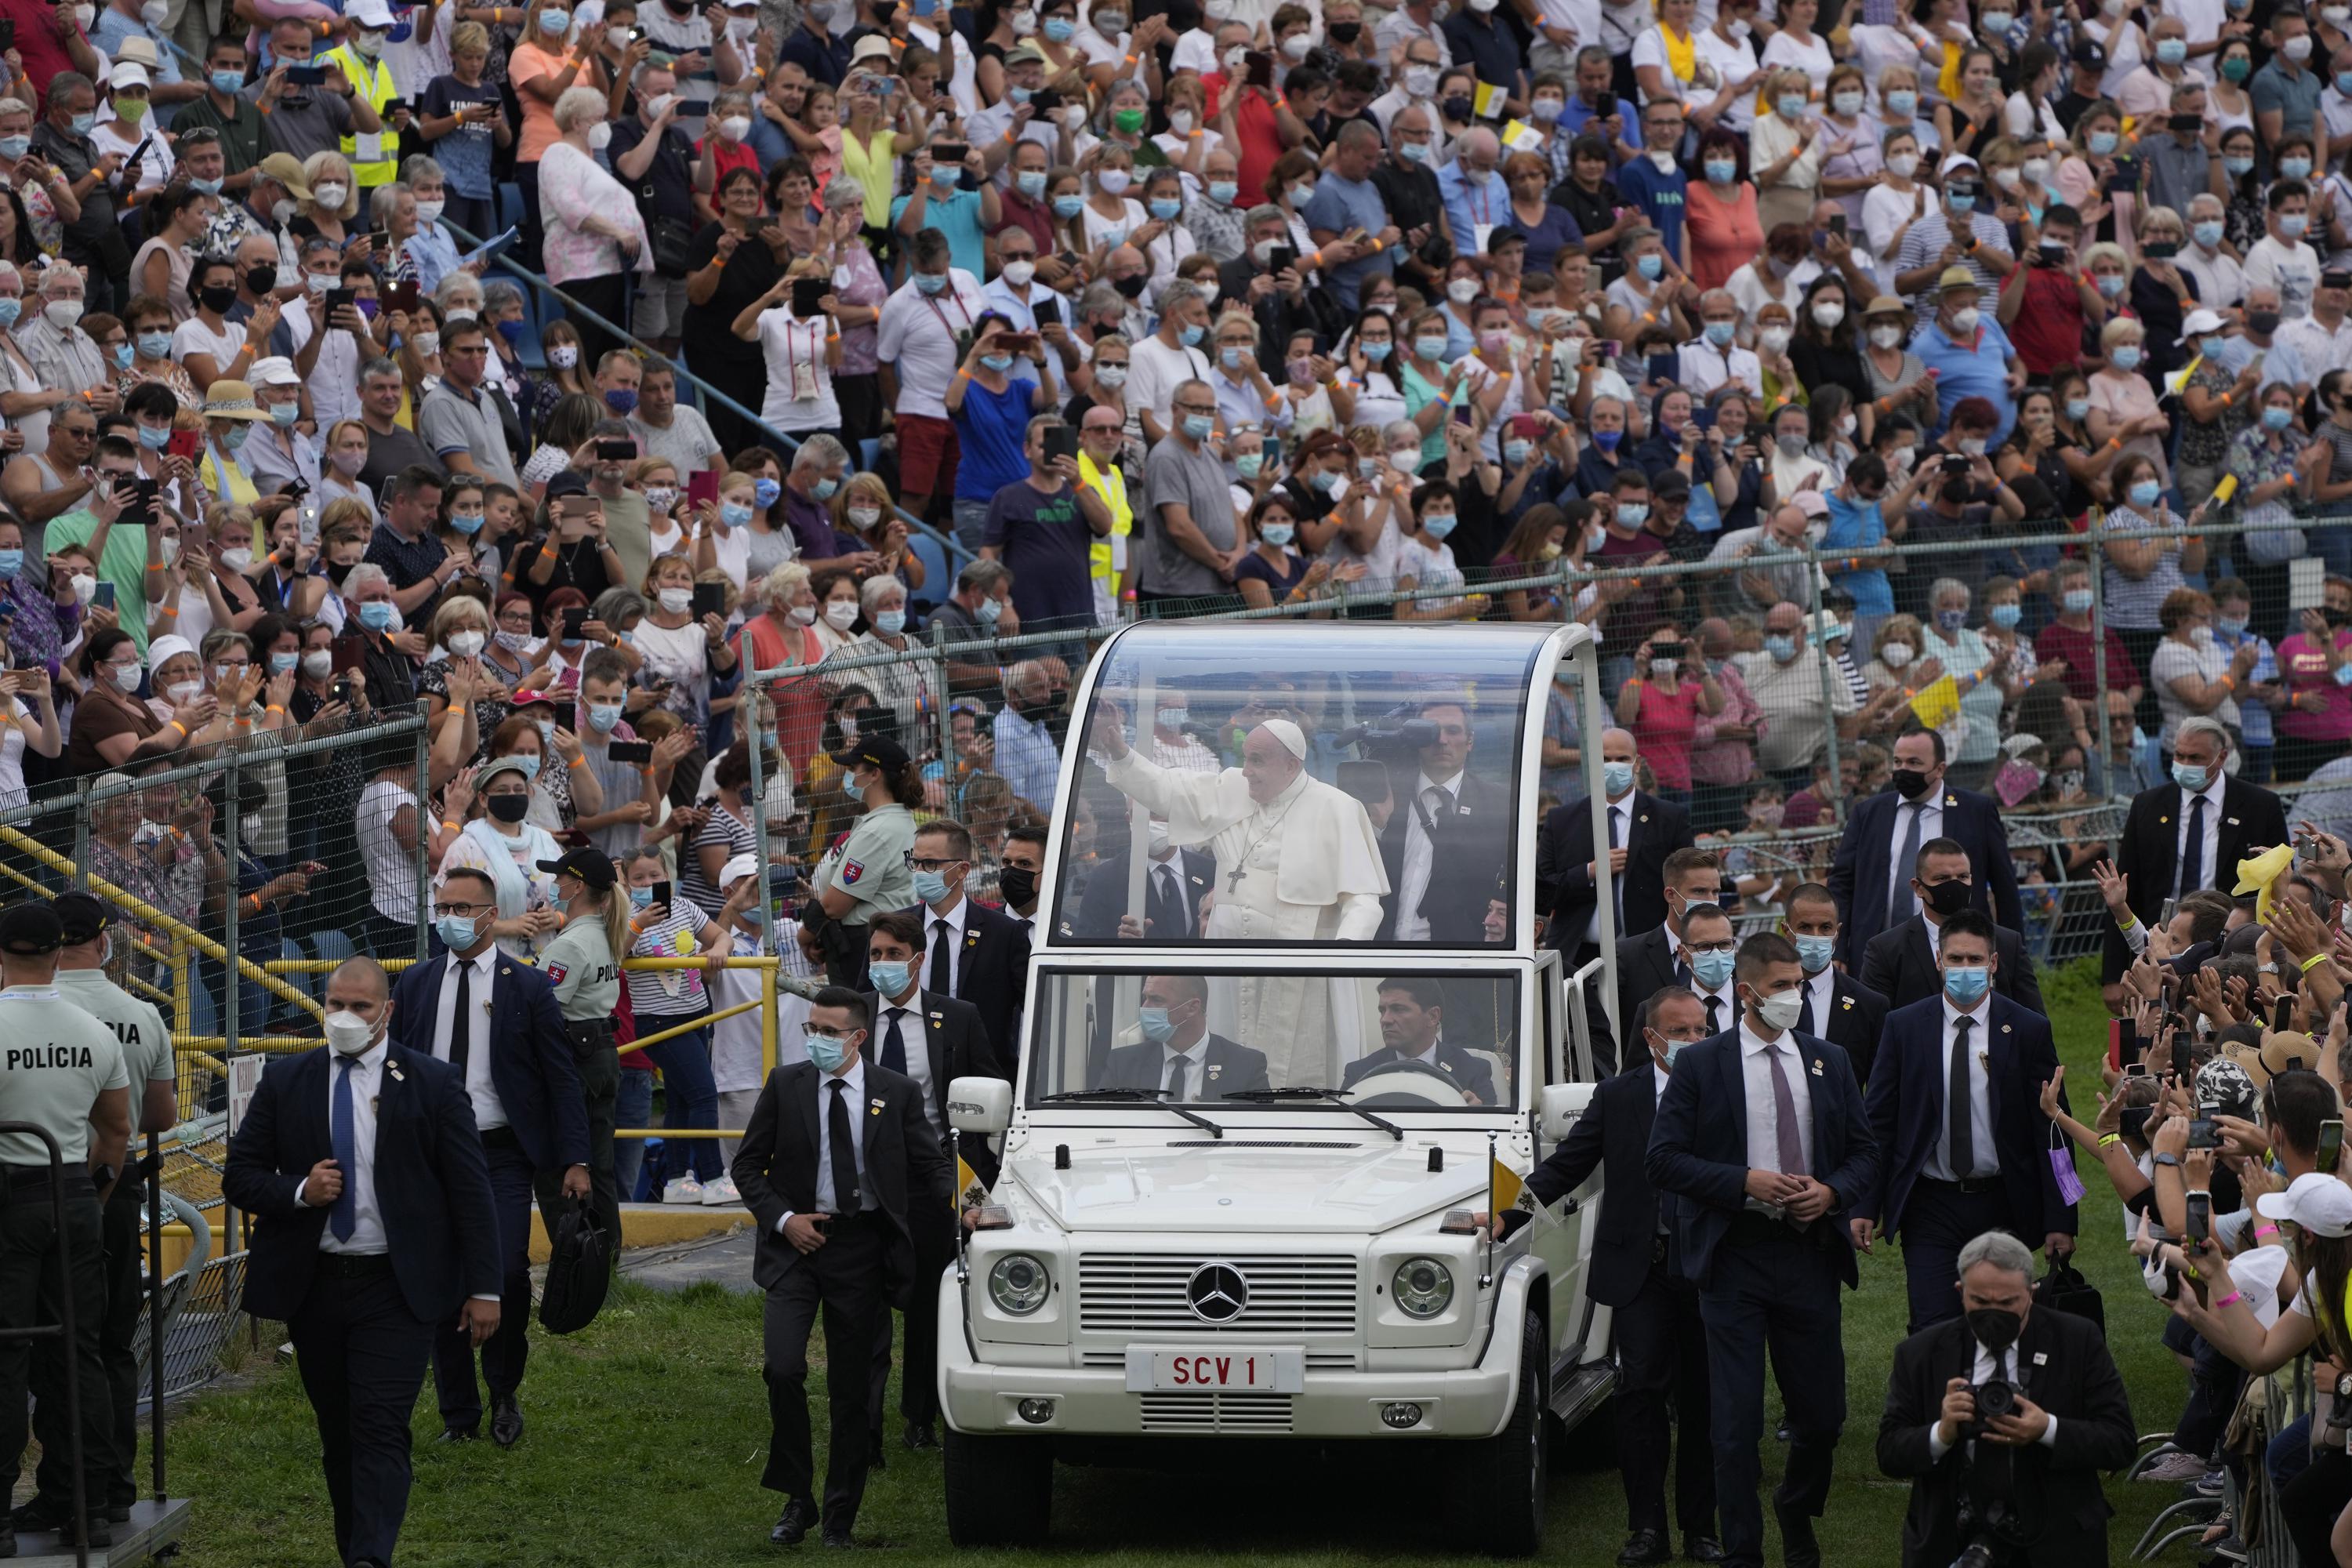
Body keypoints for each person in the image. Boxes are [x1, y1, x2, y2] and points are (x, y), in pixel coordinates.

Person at [220, 956, 499, 1568]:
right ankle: (357, 1549)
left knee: (379, 1423)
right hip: (314, 1285)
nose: (345, 1017)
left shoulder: (432, 1081)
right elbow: (238, 1176)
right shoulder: (287, 1079)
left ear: (387, 1011)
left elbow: (470, 1192)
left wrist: (485, 1287)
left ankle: (371, 1559)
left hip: (395, 1287)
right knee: (339, 1431)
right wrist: (298, 1191)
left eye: (360, 1007)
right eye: (335, 1004)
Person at [1646, 932, 1878, 1568]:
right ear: (1746, 993)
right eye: (1780, 987)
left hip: (1807, 1256)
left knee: (1823, 1417)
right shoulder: (1701, 1064)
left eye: (1799, 984)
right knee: (1735, 1424)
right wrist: (1742, 1181)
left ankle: (1797, 1510)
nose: (1794, 996)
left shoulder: (1828, 1059)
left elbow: (1865, 1153)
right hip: (1734, 1258)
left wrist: (1831, 1193)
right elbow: (1662, 1160)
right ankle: (1743, 1550)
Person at [1497, 986, 1720, 1567]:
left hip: (1710, 1269)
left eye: (1702, 1030)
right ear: (1651, 1038)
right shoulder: (1619, 1096)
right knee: (1641, 1392)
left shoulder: (1728, 1088)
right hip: (1641, 1269)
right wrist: (1504, 1211)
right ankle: (1646, 1529)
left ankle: (1701, 1528)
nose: (1694, 1042)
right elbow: (1569, 1165)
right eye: (1681, 1032)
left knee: (1706, 1400)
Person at [731, 985, 950, 1549]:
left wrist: (971, 1209)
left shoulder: (894, 1093)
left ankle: (839, 1518)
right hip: (796, 1247)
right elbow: (749, 1166)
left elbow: (931, 1165)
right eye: (811, 1030)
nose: (817, 1041)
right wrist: (784, 1221)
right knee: (782, 1367)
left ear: (857, 1037)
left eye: (829, 1033)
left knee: (852, 1389)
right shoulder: (786, 1084)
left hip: (860, 1249)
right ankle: (796, 1498)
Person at [390, 867, 589, 1447]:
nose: (450, 917)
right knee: (440, 1278)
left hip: (500, 1153)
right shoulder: (416, 984)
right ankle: (459, 1413)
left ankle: (504, 1388)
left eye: (461, 907)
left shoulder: (525, 987)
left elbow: (561, 1079)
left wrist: (575, 1159)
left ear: (488, 913)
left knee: (502, 1271)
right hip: (430, 1155)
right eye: (443, 905)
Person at [1089, 699, 1387, 1080]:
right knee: (1224, 1060)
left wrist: (1341, 951)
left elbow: (1364, 900)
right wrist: (1123, 755)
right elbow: (1168, 789)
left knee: (1296, 1069)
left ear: (1292, 764)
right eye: (1245, 757)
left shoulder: (1337, 808)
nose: (1246, 771)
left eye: (1258, 761)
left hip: (1300, 963)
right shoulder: (1233, 787)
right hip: (1227, 963)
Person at [1853, 909, 2074, 1334]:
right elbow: (1878, 1123)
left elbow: (2055, 1128)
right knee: (1934, 1325)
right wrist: (1865, 1203)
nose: (1965, 969)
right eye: (1955, 959)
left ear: (1993, 964)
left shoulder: (2028, 1029)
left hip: (2005, 1199)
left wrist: (2063, 1218)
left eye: (1975, 960)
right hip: (1930, 1203)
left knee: (2004, 1321)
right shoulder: (1903, 1027)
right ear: (1939, 961)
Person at [26, 894, 164, 1539]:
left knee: (52, 1349)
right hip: (113, 1183)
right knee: (109, 1343)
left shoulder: (46, 1014)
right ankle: (113, 1489)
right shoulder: (138, 1014)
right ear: (104, 942)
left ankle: (64, 1487)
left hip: (44, 1184)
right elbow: (158, 1117)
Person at [1875, 1230, 2136, 1568]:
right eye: (1980, 1302)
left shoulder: (2077, 1340)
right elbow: (1889, 1452)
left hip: (2057, 1540)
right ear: (1960, 1292)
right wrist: (1941, 1433)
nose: (1994, 1313)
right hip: (1951, 1538)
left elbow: (2120, 1443)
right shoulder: (1920, 1354)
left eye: (2008, 1302)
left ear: (2032, 1293)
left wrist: (2047, 1429)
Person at [858, 909, 996, 1454]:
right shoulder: (852, 1014)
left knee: (928, 1303)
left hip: (937, 1176)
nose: (884, 964)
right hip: (866, 1180)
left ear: (917, 958)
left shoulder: (957, 1017)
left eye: (893, 954)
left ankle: (921, 1415)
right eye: (875, 954)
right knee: (864, 1303)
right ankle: (864, 1422)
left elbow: (986, 1101)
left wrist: (976, 1192)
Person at [2100, 716, 2287, 996]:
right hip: (2158, 942)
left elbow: (2282, 882)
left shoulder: (2260, 806)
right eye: (2179, 755)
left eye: (2195, 757)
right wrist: (2113, 975)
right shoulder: (2147, 806)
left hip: (2229, 946)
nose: (2185, 764)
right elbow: (2125, 888)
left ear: (2221, 757)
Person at [1828, 728, 2023, 970]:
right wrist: (1837, 949)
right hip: (1876, 954)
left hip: (1954, 955)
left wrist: (2013, 957)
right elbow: (1842, 883)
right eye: (1898, 762)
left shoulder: (1975, 811)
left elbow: (2005, 887)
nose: (1903, 770)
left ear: (1940, 769)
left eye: (1914, 762)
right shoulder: (1868, 813)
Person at [528, 847, 627, 1255]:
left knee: (558, 1167)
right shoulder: (607, 932)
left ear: (578, 885)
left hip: (575, 1056)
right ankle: (607, 1257)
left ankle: (578, 1260)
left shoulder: (573, 944)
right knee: (598, 1166)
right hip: (602, 1049)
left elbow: (543, 1007)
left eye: (560, 879)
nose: (554, 885)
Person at [1535, 727, 1696, 971]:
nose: (1613, 766)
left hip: (1647, 954)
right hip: (1577, 956)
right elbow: (1542, 894)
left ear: (1637, 764)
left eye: (1622, 759)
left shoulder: (1669, 818)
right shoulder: (1561, 821)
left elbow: (1687, 885)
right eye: (1604, 759)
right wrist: (1589, 872)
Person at [1375, 693, 1511, 944]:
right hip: (1380, 945)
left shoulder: (1499, 805)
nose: (1442, 740)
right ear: (1416, 739)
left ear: (1470, 740)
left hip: (1454, 956)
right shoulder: (1385, 794)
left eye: (1453, 731)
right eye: (1431, 731)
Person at [1858, 838, 2049, 1016]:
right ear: (1918, 887)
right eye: (1942, 878)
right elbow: (1873, 1026)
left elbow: (2035, 1021)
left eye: (1963, 876)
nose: (1955, 885)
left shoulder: (2007, 943)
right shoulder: (1886, 950)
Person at [898, 818, 1030, 1072]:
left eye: (930, 864)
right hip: (909, 1072)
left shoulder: (1004, 934)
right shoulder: (895, 929)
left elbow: (1036, 1011)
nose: (919, 872)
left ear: (962, 869)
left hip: (981, 1077)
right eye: (915, 863)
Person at [808, 733, 921, 990]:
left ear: (874, 774)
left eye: (852, 768)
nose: (848, 776)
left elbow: (836, 905)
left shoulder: (878, 830)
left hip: (863, 947)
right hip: (878, 940)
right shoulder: (898, 820)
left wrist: (806, 933)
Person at [1783, 882, 1890, 1087]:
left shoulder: (1869, 1005)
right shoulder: (1763, 996)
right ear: (1786, 930)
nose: (1816, 937)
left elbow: (1879, 1088)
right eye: (1805, 927)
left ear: (1837, 932)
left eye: (1825, 928)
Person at [1102, 972, 1272, 1096]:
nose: (1145, 1007)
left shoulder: (1245, 1067)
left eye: (1157, 1000)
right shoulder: (1124, 1064)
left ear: (1192, 1007)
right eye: (1145, 998)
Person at [1338, 975, 1495, 1105]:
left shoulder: (1473, 1071)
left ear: (1433, 1016)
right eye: (1382, 1011)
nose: (1385, 1020)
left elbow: (1494, 1134)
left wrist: (1477, 1115)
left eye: (1398, 1009)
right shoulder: (1358, 1074)